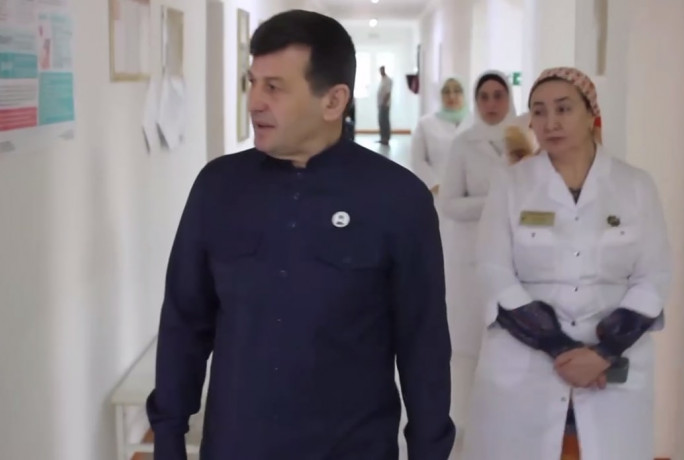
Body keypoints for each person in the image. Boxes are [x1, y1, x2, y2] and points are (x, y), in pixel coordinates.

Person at [146, 9, 455, 460]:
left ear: (333, 101)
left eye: (274, 87)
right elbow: (184, 322)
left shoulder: (398, 199)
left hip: (352, 448)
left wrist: (429, 451)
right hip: (237, 446)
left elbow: (423, 344)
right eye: (252, 82)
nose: (255, 101)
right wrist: (169, 437)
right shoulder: (218, 188)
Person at [462, 67, 672, 460]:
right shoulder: (511, 184)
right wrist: (558, 347)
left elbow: (654, 276)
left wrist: (603, 353)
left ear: (591, 114)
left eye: (563, 108)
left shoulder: (635, 185)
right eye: (539, 111)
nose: (550, 122)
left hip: (610, 368)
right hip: (527, 360)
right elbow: (493, 270)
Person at [437, 71, 532, 442]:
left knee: (511, 343)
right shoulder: (464, 143)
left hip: (517, 257)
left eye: (498, 95)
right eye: (484, 97)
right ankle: (465, 423)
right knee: (468, 345)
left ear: (509, 98)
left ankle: (509, 424)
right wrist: (495, 201)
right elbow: (449, 203)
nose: (492, 104)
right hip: (470, 258)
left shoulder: (525, 140)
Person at [410, 77, 469, 196]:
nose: (451, 96)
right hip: (437, 194)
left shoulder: (476, 122)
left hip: (472, 194)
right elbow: (417, 160)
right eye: (446, 91)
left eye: (457, 91)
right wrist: (435, 185)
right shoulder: (426, 124)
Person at [377, 65, 393, 145]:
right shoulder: (382, 80)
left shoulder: (388, 80)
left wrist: (383, 103)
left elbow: (388, 93)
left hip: (385, 105)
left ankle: (386, 138)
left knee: (385, 121)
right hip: (380, 104)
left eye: (382, 70)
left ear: (384, 70)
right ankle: (382, 137)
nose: (381, 72)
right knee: (381, 121)